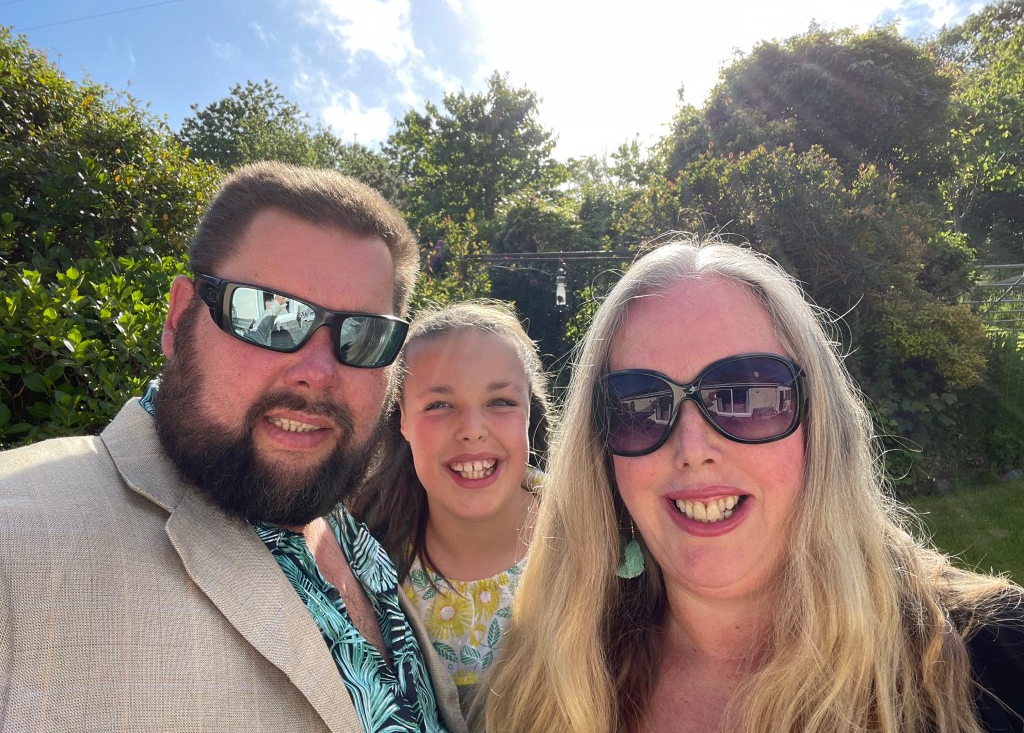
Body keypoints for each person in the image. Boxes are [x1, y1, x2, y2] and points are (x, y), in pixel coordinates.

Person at [475, 239, 1024, 733]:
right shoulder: (544, 678)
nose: (692, 448)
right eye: (641, 405)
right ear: (601, 452)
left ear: (819, 424)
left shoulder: (996, 655)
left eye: (744, 396)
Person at [0, 162, 467, 733]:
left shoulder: (358, 535)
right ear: (179, 317)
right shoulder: (18, 537)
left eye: (364, 335)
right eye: (269, 314)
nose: (319, 371)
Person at [351, 300, 553, 712]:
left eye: (500, 402)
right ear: (403, 420)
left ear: (528, 411)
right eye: (439, 405)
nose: (472, 431)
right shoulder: (365, 567)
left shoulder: (598, 539)